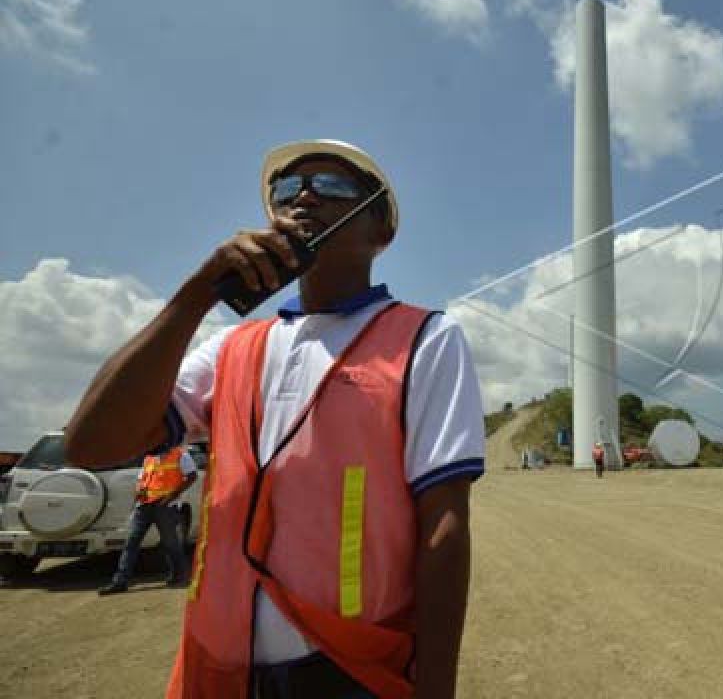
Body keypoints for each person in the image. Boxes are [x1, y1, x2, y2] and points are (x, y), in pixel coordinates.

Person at [65, 139, 486, 699]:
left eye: (332, 186)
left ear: (379, 230)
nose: (304, 195)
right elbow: (91, 445)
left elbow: (444, 526)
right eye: (288, 189)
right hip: (218, 668)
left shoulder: (425, 338)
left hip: (349, 669)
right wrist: (196, 296)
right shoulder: (233, 347)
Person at [97, 442, 197, 595]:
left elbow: (192, 476)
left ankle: (179, 575)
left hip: (166, 506)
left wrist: (173, 495)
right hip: (144, 506)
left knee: (170, 543)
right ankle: (120, 582)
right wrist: (139, 491)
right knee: (131, 542)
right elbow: (142, 479)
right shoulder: (148, 458)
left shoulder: (181, 455)